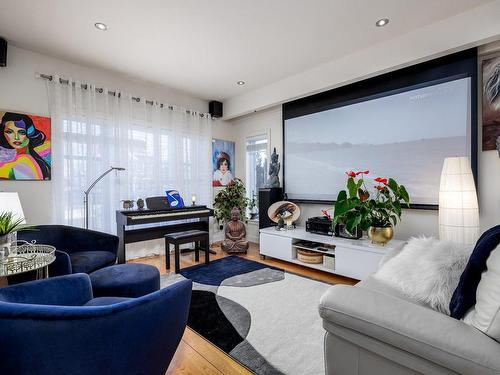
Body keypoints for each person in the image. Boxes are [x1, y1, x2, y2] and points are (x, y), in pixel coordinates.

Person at [0, 112, 51, 180]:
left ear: (29, 133)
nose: (16, 137)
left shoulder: (25, 159)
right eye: (9, 132)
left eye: (22, 132)